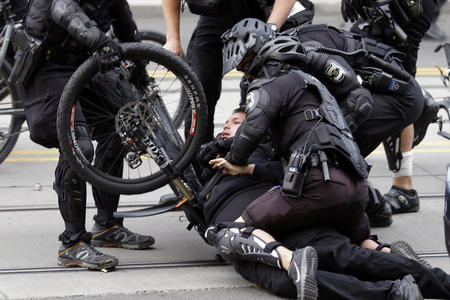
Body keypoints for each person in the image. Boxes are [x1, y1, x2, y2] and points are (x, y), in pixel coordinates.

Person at [196, 108, 450, 300]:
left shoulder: (262, 148)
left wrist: (249, 169)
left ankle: (438, 282)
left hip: (281, 216)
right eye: (226, 122)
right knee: (287, 280)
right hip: (243, 238)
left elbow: (288, 172)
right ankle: (391, 292)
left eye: (237, 122)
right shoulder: (205, 158)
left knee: (345, 255)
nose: (228, 126)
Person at [19, 0, 155, 270]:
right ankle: (73, 243)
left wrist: (139, 65)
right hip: (48, 67)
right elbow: (62, 8)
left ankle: (106, 225)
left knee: (119, 127)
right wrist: (99, 40)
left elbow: (123, 18)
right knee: (78, 146)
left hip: (85, 63)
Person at [162, 0, 316, 143]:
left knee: (271, 91)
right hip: (220, 12)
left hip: (269, 10)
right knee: (198, 92)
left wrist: (271, 30)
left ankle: (266, 162)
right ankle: (200, 163)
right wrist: (172, 39)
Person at [341, 0, 441, 216]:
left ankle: (404, 187)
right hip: (384, 9)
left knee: (396, 83)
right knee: (362, 62)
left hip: (405, 9)